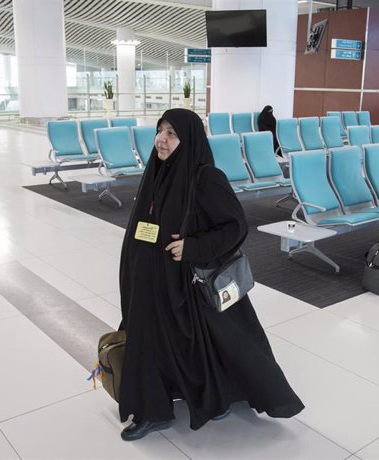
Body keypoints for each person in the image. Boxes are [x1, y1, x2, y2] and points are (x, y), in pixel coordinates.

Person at [117, 109, 304, 441]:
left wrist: (193, 247)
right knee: (155, 340)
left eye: (172, 133)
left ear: (188, 139)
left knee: (198, 344)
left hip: (187, 284)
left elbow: (234, 227)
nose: (161, 139)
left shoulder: (204, 177)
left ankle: (211, 398)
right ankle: (155, 409)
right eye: (160, 130)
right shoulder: (158, 172)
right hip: (152, 280)